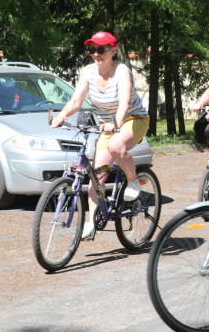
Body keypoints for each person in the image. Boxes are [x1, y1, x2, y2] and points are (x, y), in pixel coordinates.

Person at [51, 31, 149, 240]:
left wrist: (115, 123)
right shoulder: (88, 72)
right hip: (108, 125)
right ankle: (91, 223)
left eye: (101, 49)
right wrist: (61, 116)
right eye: (93, 49)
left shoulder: (122, 72)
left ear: (112, 51)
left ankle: (132, 181)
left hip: (134, 119)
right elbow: (76, 101)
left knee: (116, 146)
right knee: (96, 177)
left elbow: (123, 103)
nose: (96, 53)